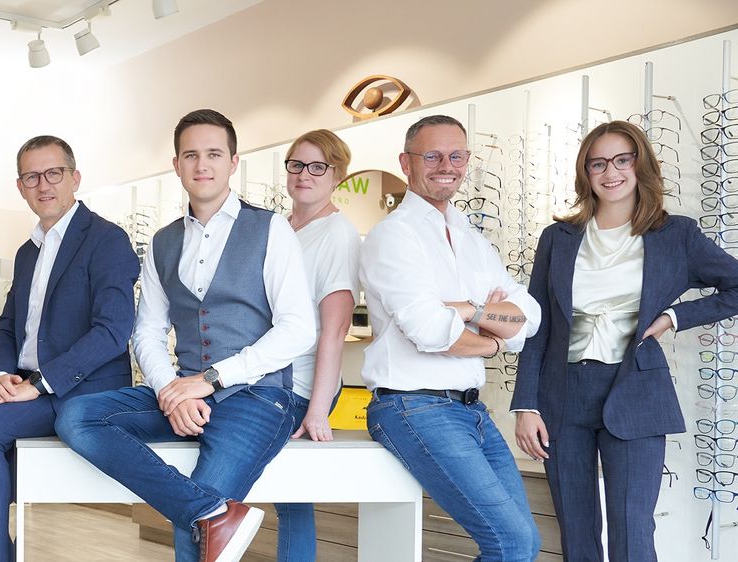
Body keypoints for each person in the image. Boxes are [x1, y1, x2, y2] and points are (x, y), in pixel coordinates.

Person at [56, 109, 316, 562]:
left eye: (214, 154)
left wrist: (210, 380)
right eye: (191, 155)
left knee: (193, 527)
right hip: (184, 390)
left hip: (257, 396)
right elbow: (147, 332)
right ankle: (210, 512)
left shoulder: (270, 228)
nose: (202, 165)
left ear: (233, 162)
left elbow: (298, 329)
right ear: (176, 165)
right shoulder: (162, 241)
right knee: (78, 416)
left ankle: (202, 512)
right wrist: (170, 391)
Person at [511, 120, 738, 561]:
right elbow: (539, 326)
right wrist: (526, 405)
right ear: (585, 172)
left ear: (640, 165)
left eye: (622, 160)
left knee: (633, 530)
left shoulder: (676, 234)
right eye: (598, 163)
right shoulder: (558, 238)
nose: (610, 172)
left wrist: (674, 317)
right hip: (563, 397)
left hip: (635, 389)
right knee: (576, 531)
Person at [359, 114, 542, 561]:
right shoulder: (393, 236)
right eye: (432, 156)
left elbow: (530, 318)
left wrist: (471, 310)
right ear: (406, 162)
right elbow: (430, 331)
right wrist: (495, 338)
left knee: (524, 544)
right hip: (413, 406)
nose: (446, 166)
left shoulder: (472, 240)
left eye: (456, 156)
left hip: (470, 410)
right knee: (512, 543)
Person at [0, 135, 140, 561]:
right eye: (32, 177)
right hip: (29, 391)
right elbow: (6, 327)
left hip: (82, 394)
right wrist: (2, 377)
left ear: (75, 178)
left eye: (53, 173)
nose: (43, 184)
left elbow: (113, 330)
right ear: (20, 187)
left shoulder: (106, 239)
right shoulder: (27, 252)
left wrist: (38, 385)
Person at [274, 129, 360, 562]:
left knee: (291, 498)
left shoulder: (338, 235)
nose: (304, 174)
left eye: (317, 167)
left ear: (337, 175)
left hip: (301, 384)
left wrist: (317, 408)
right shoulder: (280, 227)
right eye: (296, 164)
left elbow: (335, 329)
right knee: (285, 495)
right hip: (265, 376)